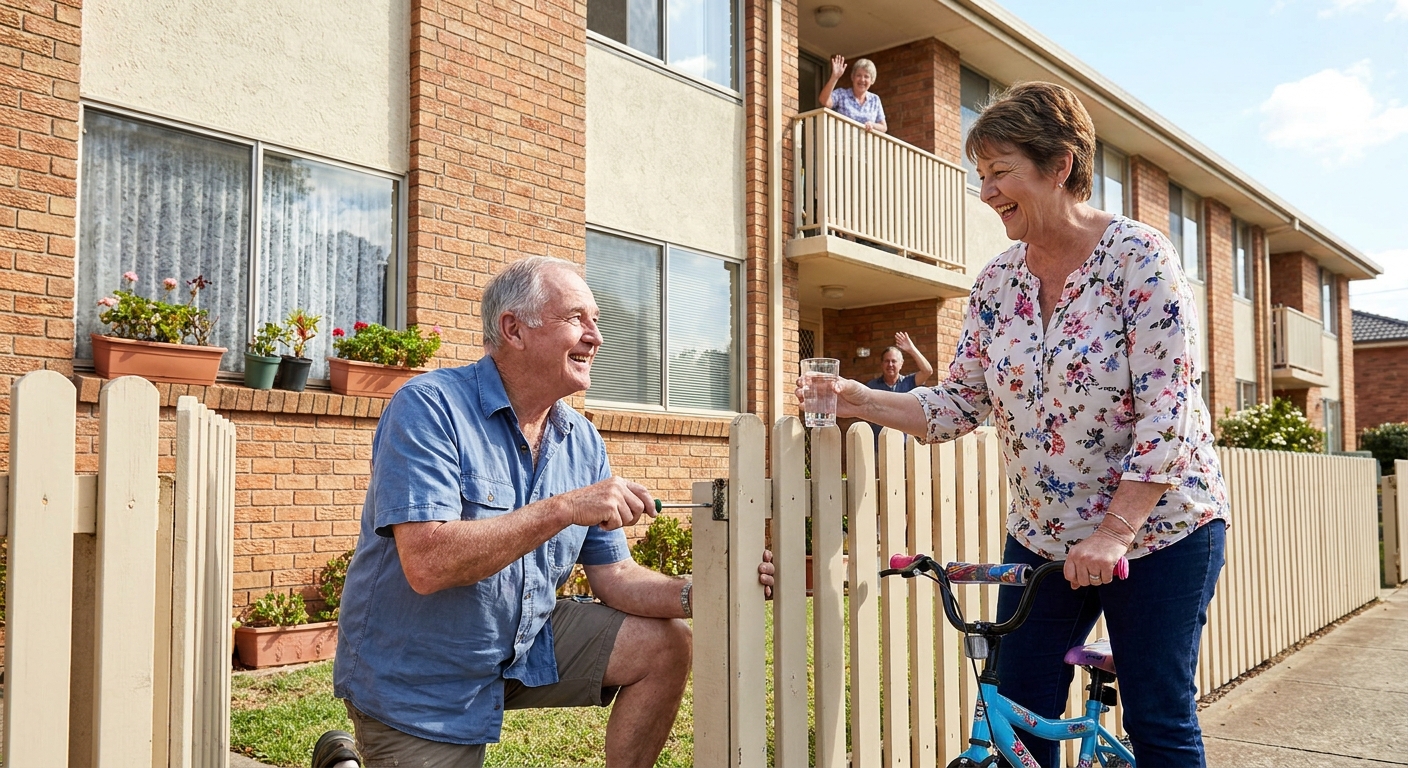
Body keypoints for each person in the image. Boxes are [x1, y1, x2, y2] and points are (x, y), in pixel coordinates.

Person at [799, 82, 1229, 767]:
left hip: (1159, 532)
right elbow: (959, 402)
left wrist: (1116, 532)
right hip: (1044, 532)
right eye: (982, 175)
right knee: (1017, 712)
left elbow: (1167, 411)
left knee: (1158, 714)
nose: (986, 192)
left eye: (1000, 173)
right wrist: (860, 400)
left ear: (1059, 166)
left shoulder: (1139, 259)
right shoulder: (997, 283)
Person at [322, 256, 697, 768]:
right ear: (513, 329)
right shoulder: (428, 407)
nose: (596, 337)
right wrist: (564, 508)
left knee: (665, 644)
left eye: (597, 320)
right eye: (577, 318)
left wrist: (700, 592)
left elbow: (616, 576)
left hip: (523, 643)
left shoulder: (581, 440)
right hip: (419, 680)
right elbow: (428, 563)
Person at [864, 331, 934, 440]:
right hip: (878, 446)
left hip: (906, 446)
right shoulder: (872, 386)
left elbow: (927, 371)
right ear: (882, 364)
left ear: (901, 364)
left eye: (894, 361)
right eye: (887, 361)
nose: (890, 365)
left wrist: (911, 349)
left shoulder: (909, 382)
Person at [819, 55, 887, 133]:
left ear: (872, 80)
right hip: (843, 142)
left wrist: (872, 125)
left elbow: (883, 127)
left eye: (866, 76)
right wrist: (834, 77)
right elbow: (824, 101)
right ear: (852, 77)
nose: (862, 80)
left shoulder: (875, 99)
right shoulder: (842, 94)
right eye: (858, 75)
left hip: (866, 144)